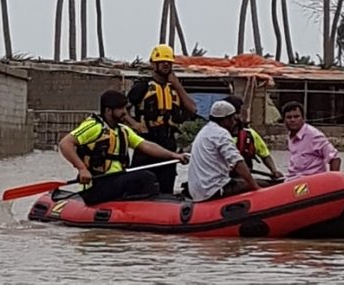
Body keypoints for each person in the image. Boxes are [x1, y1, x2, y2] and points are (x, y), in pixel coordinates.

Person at [58, 90, 189, 206]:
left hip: (115, 180)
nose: (125, 113)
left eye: (125, 108)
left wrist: (174, 155)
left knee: (156, 174)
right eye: (121, 109)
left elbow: (146, 145)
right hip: (97, 185)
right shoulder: (94, 127)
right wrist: (82, 169)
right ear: (108, 110)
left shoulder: (123, 130)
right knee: (146, 177)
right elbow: (65, 144)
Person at [124, 44, 197, 194]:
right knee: (140, 182)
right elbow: (122, 109)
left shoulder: (174, 90)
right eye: (162, 61)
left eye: (169, 62)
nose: (166, 64)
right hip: (147, 142)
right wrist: (134, 124)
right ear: (153, 64)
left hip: (168, 143)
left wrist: (177, 85)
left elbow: (192, 109)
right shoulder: (143, 87)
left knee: (166, 183)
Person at [187, 101, 266, 202]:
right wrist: (255, 187)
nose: (234, 123)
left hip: (199, 189)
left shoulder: (205, 131)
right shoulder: (221, 133)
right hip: (214, 189)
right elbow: (237, 162)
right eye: (232, 119)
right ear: (225, 120)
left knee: (241, 181)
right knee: (265, 184)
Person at [220, 96, 283, 179]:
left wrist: (274, 171)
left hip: (243, 179)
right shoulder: (216, 136)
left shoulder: (250, 134)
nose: (237, 116)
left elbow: (265, 155)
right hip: (221, 180)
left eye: (238, 113)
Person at [281, 101, 341, 180]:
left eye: (296, 117)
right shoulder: (291, 136)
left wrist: (333, 181)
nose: (292, 120)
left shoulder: (313, 135)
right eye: (289, 117)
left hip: (310, 183)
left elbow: (335, 158)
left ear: (303, 118)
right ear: (284, 120)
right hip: (294, 180)